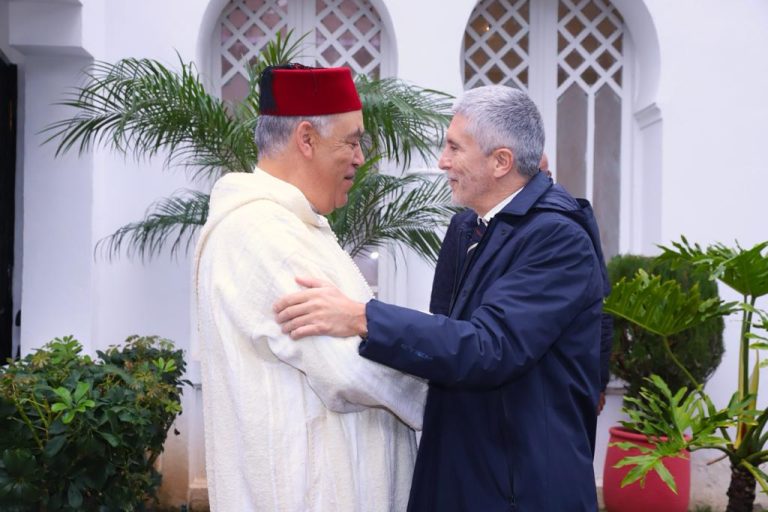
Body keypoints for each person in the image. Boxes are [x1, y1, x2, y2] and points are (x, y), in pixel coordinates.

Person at [274, 85, 608, 511]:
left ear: (501, 161)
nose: (442, 161)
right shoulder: (466, 229)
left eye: (454, 148)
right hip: (459, 472)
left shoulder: (558, 239)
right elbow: (446, 342)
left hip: (523, 489)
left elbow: (489, 348)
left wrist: (363, 318)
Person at [193, 64, 427, 511]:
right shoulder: (261, 232)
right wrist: (451, 394)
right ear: (306, 139)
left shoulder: (293, 225)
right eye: (352, 141)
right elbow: (348, 369)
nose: (360, 158)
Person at [429, 152, 613, 418]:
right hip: (466, 380)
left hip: (534, 394)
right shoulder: (465, 225)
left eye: (543, 175)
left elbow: (600, 311)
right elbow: (443, 302)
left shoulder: (559, 232)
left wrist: (599, 380)